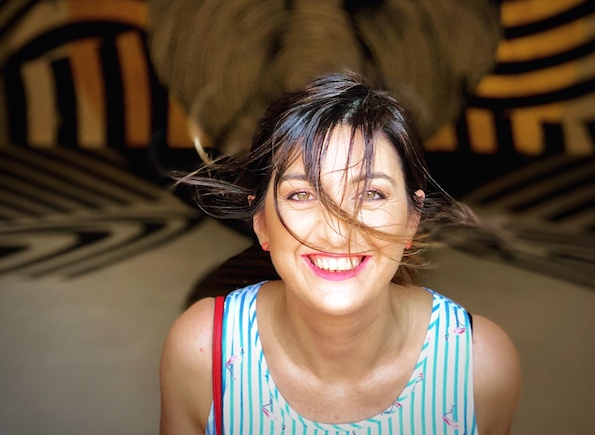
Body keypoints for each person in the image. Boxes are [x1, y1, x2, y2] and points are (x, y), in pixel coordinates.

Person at [159, 72, 521, 435]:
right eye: (301, 195)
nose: (336, 232)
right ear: (261, 223)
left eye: (371, 194)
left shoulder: (478, 364)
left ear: (412, 219)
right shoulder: (204, 350)